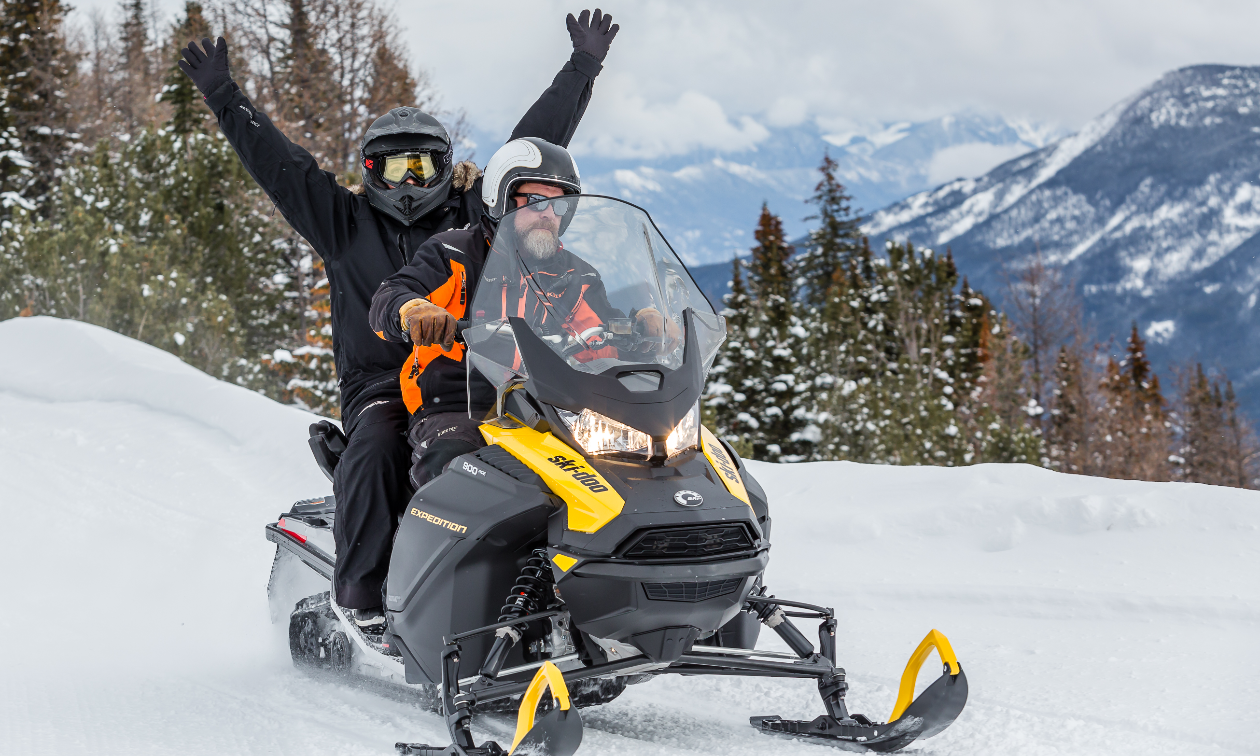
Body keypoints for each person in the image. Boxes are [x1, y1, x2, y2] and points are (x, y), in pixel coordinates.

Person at [177, 10, 621, 629]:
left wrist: (583, 66)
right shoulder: (342, 222)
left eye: (421, 167)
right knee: (379, 444)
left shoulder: (475, 210)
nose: (408, 182)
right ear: (369, 172)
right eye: (392, 168)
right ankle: (364, 595)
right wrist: (224, 95)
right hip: (383, 381)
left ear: (448, 169)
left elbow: (531, 151)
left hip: (484, 372)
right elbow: (279, 166)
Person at [369, 137, 677, 490]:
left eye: (559, 205)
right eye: (534, 201)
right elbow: (390, 296)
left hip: (554, 409)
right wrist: (415, 310)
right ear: (501, 200)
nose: (548, 213)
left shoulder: (579, 275)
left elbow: (603, 331)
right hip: (462, 406)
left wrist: (644, 328)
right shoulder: (453, 254)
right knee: (455, 467)